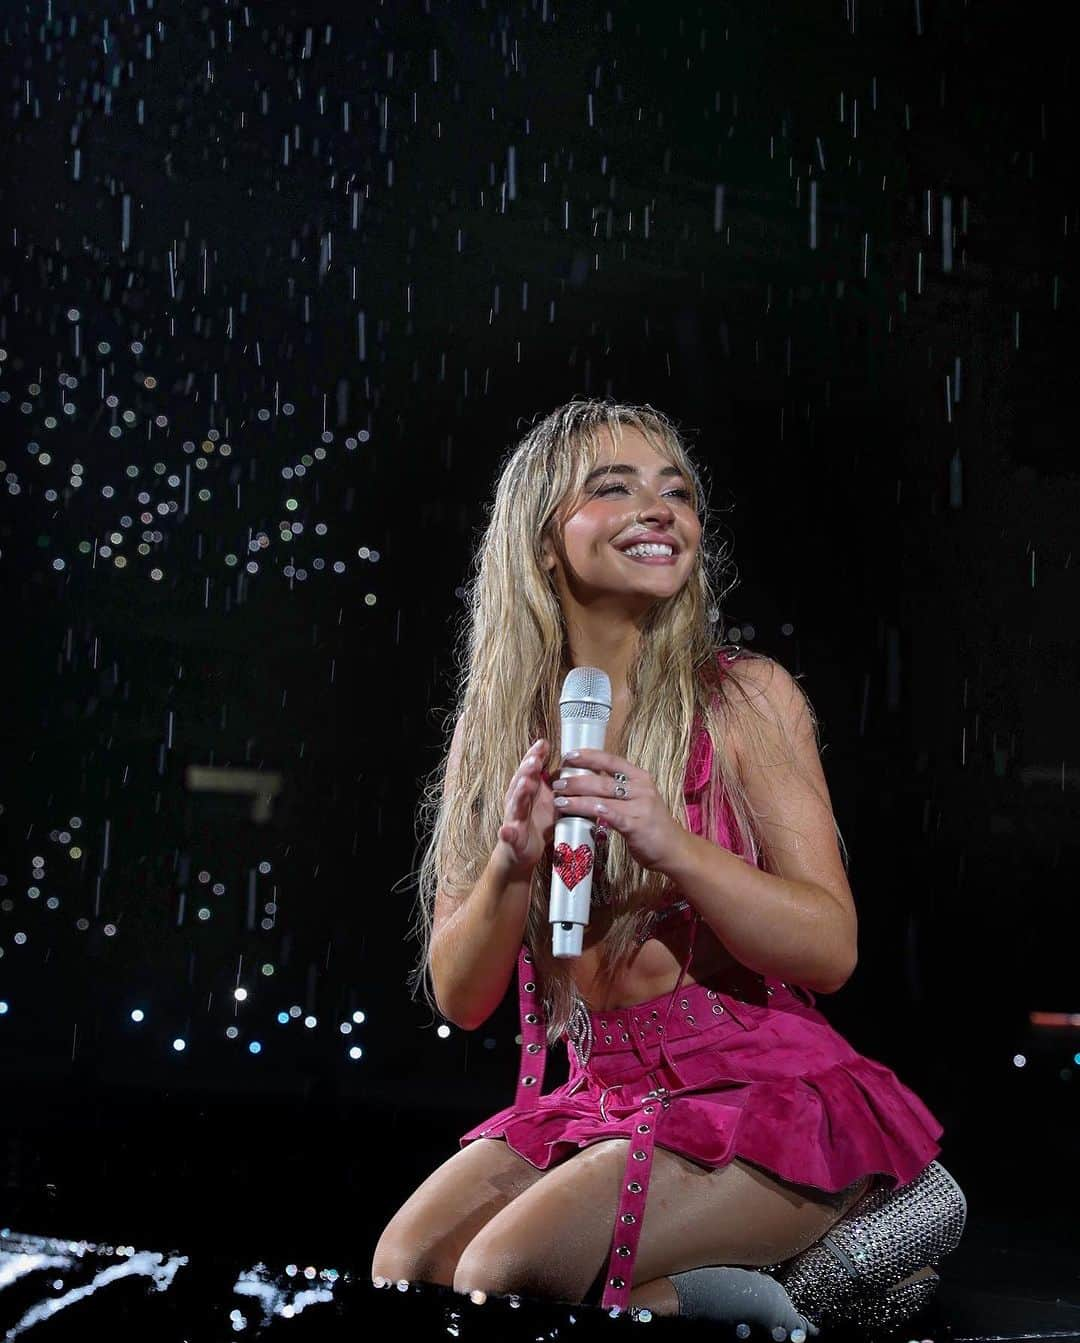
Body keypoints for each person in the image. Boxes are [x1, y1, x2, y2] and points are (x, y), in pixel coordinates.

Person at [372, 399, 966, 1333]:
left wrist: (671, 844)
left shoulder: (742, 701)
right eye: (615, 488)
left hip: (759, 1096)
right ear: (541, 539)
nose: (661, 509)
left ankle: (867, 1209)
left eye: (677, 492)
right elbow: (461, 995)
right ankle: (788, 1302)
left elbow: (830, 948)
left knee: (508, 1266)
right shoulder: (493, 739)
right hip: (602, 1094)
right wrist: (512, 868)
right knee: (407, 1268)